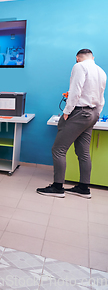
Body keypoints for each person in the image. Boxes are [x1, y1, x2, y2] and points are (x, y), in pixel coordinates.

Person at [37, 49, 106, 198]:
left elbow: (75, 91)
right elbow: (101, 97)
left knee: (58, 150)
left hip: (79, 113)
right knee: (83, 152)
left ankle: (57, 188)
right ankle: (83, 188)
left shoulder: (79, 67)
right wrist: (96, 113)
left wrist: (67, 112)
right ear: (92, 57)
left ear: (77, 58)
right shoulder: (101, 71)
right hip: (93, 113)